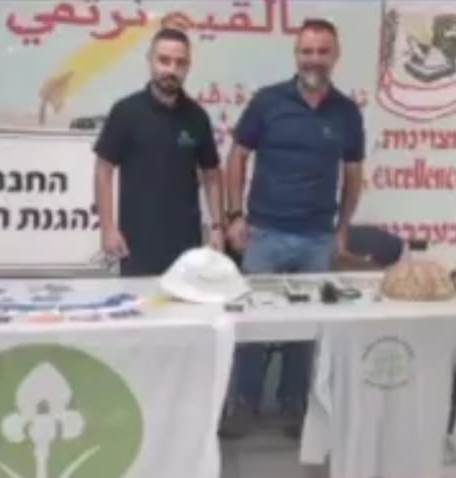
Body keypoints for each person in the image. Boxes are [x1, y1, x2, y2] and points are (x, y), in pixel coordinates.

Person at [222, 18, 366, 437]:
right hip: (264, 234)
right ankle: (244, 404)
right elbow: (237, 156)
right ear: (296, 54)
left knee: (308, 329)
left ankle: (294, 406)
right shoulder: (268, 102)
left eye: (322, 51)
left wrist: (343, 227)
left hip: (317, 239)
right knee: (252, 324)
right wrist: (234, 216)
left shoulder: (346, 112)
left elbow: (353, 173)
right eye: (307, 51)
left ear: (335, 55)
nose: (314, 59)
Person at [94, 27, 224, 277]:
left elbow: (211, 174)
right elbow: (103, 171)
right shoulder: (126, 112)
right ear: (150, 60)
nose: (171, 69)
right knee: (140, 302)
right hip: (136, 243)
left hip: (187, 244)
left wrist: (217, 227)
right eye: (164, 60)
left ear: (188, 66)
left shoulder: (197, 117)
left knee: (186, 301)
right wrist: (108, 228)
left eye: (180, 62)